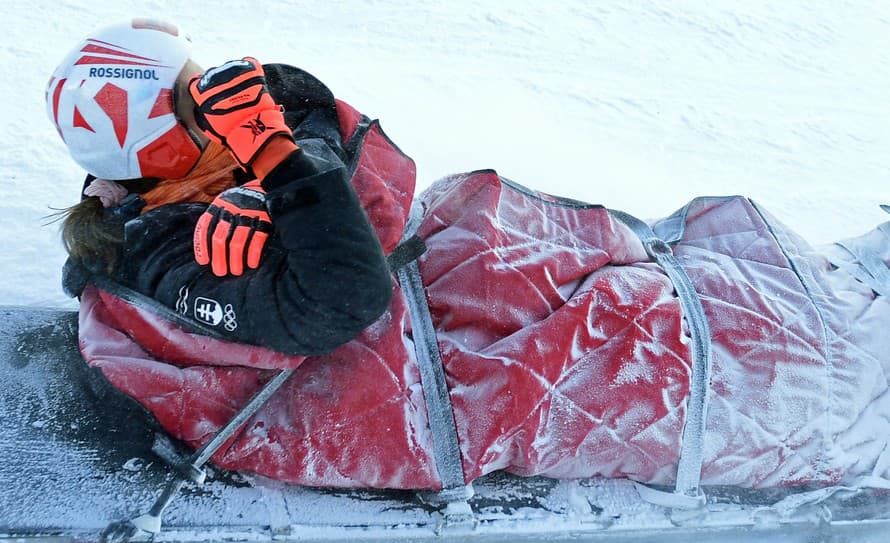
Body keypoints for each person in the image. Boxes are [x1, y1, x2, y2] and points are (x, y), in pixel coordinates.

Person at [49, 18, 890, 501]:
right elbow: (341, 298)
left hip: (467, 281)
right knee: (665, 334)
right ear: (156, 142)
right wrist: (278, 167)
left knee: (627, 267)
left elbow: (296, 101)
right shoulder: (175, 259)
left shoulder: (187, 183)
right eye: (195, 95)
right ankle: (846, 352)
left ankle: (805, 294)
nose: (223, 99)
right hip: (453, 358)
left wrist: (278, 168)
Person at [48, 18, 402, 355]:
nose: (214, 100)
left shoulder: (209, 162)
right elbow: (344, 300)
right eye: (196, 100)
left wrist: (274, 181)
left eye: (204, 80)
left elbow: (303, 103)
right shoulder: (157, 254)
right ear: (163, 146)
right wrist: (275, 158)